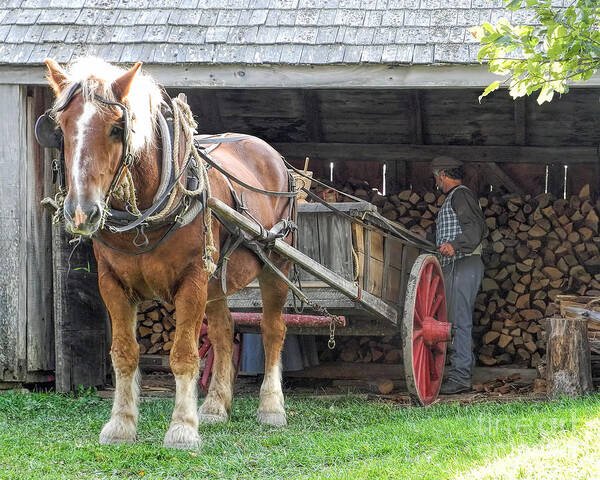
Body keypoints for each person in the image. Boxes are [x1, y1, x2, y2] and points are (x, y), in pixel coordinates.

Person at [414, 156, 487, 394]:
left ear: (442, 175)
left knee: (459, 321)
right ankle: (460, 372)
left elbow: (475, 229)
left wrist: (455, 245)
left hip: (463, 263)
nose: (437, 182)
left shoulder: (461, 195)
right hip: (457, 264)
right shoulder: (456, 198)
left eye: (437, 178)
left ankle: (460, 377)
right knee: (456, 320)